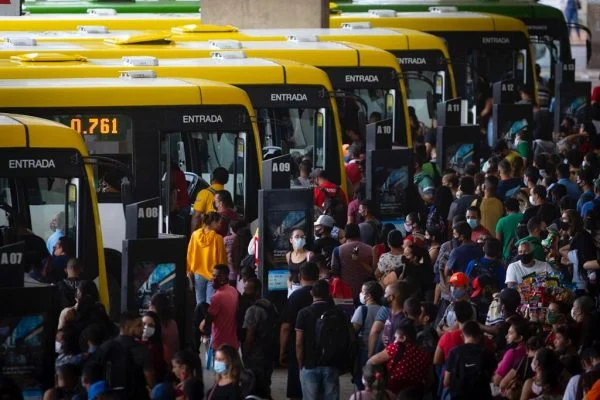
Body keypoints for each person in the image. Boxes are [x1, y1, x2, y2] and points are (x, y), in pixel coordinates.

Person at [295, 279, 341, 399]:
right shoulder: (337, 313)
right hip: (332, 363)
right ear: (328, 293)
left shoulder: (303, 313)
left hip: (309, 363)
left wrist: (301, 363)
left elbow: (299, 343)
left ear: (311, 293)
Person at [280, 262, 319, 400]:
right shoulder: (325, 295)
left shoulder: (295, 297)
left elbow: (286, 327)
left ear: (300, 276)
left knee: (296, 391)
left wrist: (282, 350)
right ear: (318, 275)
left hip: (298, 350)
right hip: (322, 351)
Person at [99, 312, 155, 399]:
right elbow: (150, 378)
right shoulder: (142, 350)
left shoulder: (106, 346)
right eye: (139, 325)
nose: (142, 328)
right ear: (127, 327)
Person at [368, 321, 431, 396]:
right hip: (414, 395)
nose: (394, 340)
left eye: (396, 337)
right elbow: (429, 379)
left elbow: (371, 361)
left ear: (403, 338)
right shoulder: (424, 354)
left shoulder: (395, 348)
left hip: (393, 394)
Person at [241, 277, 277, 397]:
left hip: (256, 356)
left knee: (253, 387)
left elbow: (249, 337)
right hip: (269, 353)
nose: (244, 292)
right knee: (265, 386)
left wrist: (245, 353)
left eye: (247, 289)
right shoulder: (270, 305)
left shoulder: (252, 310)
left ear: (256, 291)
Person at [444, 321, 496, 400]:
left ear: (462, 336)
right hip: (482, 396)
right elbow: (493, 379)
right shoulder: (487, 353)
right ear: (479, 336)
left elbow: (446, 381)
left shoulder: (454, 352)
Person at [187, 212, 227, 305]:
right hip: (213, 275)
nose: (220, 225)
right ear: (213, 222)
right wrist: (224, 275)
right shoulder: (218, 238)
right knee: (211, 303)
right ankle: (209, 320)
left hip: (198, 273)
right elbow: (221, 259)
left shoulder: (195, 235)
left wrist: (188, 270)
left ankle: (199, 319)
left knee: (199, 302)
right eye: (219, 222)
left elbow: (190, 254)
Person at [351, 280, 385, 390]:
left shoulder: (362, 309)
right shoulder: (384, 310)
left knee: (362, 382)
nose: (360, 294)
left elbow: (353, 330)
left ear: (369, 295)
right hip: (381, 351)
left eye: (362, 291)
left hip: (364, 351)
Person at [200, 264, 239, 352]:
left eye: (217, 276)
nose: (213, 279)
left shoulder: (217, 297)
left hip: (219, 344)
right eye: (213, 275)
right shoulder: (233, 290)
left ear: (225, 277)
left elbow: (207, 322)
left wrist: (202, 327)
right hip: (233, 342)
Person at [331, 223, 373, 297]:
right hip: (366, 292)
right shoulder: (370, 249)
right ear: (359, 233)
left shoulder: (338, 250)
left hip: (345, 291)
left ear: (346, 234)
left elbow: (334, 270)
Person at [492, 319, 530, 389]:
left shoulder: (512, 352)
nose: (506, 336)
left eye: (510, 333)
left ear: (520, 338)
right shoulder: (530, 351)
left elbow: (497, 380)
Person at [191, 167, 229, 232]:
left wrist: (192, 235)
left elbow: (196, 217)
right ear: (226, 180)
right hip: (222, 235)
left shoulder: (204, 193)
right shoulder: (227, 195)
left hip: (206, 236)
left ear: (212, 177)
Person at [149, 292, 179, 366]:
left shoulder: (154, 323)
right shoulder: (173, 323)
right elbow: (177, 345)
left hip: (160, 362)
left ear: (153, 306)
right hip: (172, 361)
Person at [286, 228, 314, 298]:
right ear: (291, 240)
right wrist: (288, 282)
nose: (300, 239)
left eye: (302, 237)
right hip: (292, 289)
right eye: (297, 237)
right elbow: (290, 272)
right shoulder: (288, 255)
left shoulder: (309, 255)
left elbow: (314, 275)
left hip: (305, 290)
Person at [140, 311, 166, 383]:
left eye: (150, 325)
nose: (146, 327)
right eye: (144, 324)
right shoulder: (134, 343)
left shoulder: (157, 347)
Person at [496, 197, 524, 262]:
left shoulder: (502, 221)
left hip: (507, 255)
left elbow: (498, 242)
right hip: (524, 252)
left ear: (506, 208)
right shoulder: (524, 217)